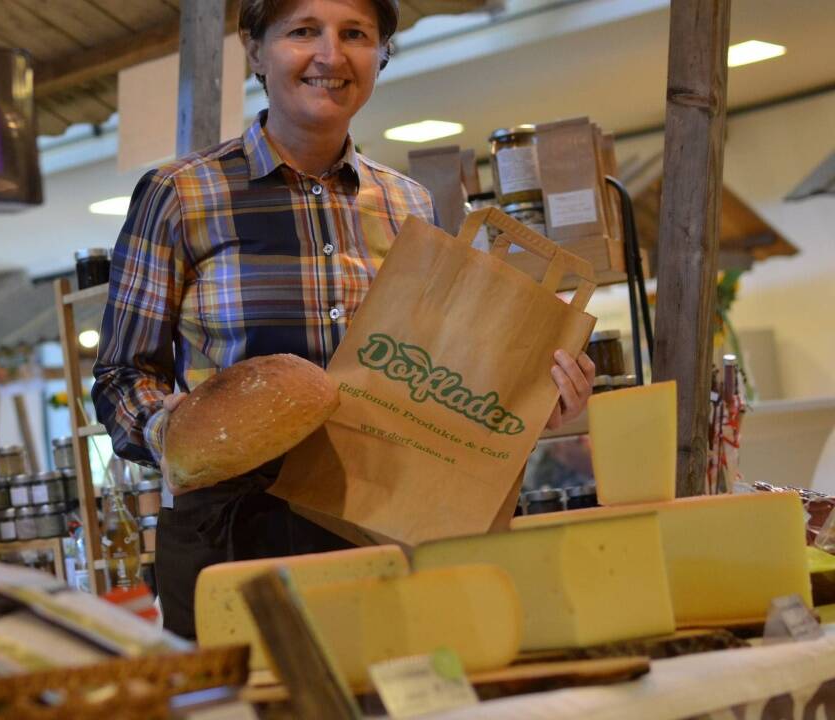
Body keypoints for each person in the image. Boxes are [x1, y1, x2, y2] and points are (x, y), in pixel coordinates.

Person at [92, 0, 596, 638]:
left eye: (355, 34)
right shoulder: (182, 194)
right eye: (303, 31)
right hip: (235, 532)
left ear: (380, 55)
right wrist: (175, 434)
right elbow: (120, 375)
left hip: (383, 520)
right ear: (255, 50)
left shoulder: (406, 203)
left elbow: (440, 373)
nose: (330, 55)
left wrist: (522, 399)